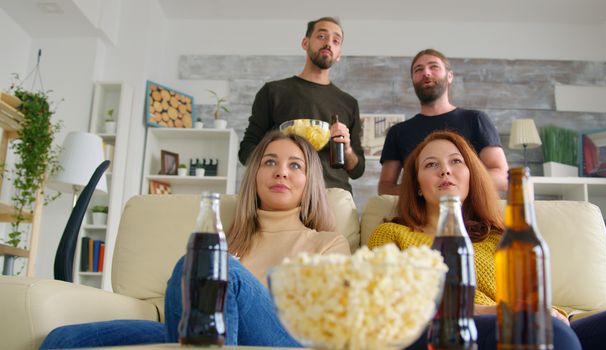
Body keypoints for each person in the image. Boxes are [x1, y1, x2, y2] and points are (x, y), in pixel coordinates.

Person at [40, 131, 350, 349]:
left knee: (207, 263)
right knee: (63, 340)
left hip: (290, 339)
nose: (281, 172)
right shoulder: (229, 239)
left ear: (310, 181)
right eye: (270, 162)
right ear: (255, 175)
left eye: (295, 165)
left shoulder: (327, 243)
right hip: (201, 330)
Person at [368, 130, 606, 350]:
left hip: (532, 325)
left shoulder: (498, 236)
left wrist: (554, 312)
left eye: (455, 161)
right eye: (431, 164)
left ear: (470, 176)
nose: (445, 169)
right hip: (454, 331)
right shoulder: (391, 235)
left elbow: (528, 295)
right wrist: (497, 312)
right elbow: (387, 306)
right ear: (418, 186)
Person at [238, 16, 365, 193]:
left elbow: (358, 170)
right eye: (322, 36)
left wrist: (348, 149)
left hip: (333, 195)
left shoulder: (349, 103)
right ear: (305, 43)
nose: (329, 43)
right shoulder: (273, 91)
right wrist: (275, 161)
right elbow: (246, 151)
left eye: (336, 40)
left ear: (339, 55)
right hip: (284, 191)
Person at [377, 48, 508, 195]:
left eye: (434, 67)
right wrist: (427, 187)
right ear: (413, 81)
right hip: (420, 217)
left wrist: (452, 183)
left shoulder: (476, 119)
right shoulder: (398, 132)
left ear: (449, 76)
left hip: (472, 215)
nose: (426, 73)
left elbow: (502, 178)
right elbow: (385, 189)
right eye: (418, 70)